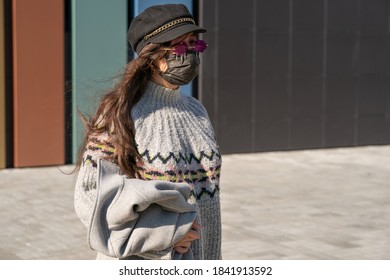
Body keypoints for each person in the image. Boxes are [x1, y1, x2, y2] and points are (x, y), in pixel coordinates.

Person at [73, 4, 222, 260]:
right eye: (180, 47)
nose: (191, 54)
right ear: (153, 57)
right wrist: (167, 235)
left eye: (194, 44)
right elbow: (89, 197)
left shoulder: (197, 111)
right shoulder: (120, 114)